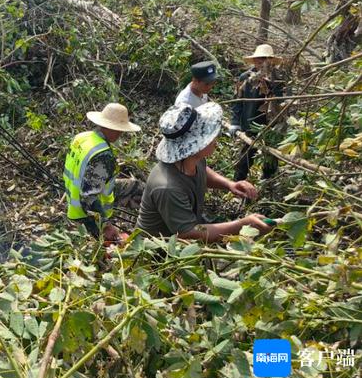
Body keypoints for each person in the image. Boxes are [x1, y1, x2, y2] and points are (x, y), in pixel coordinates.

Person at [136, 103, 273, 242]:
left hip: (186, 231)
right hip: (157, 252)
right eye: (209, 135)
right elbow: (190, 232)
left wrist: (229, 184)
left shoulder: (192, 160)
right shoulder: (167, 187)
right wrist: (241, 225)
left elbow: (203, 171)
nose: (215, 139)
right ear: (195, 147)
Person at [63, 103, 144, 243]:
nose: (121, 133)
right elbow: (88, 197)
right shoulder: (103, 156)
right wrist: (106, 225)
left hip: (74, 200)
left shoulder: (82, 137)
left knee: (136, 187)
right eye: (119, 129)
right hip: (85, 215)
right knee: (113, 247)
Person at [228, 44, 285, 181]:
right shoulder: (245, 77)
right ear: (254, 60)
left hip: (270, 126)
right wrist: (235, 123)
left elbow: (281, 103)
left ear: (271, 60)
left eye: (265, 59)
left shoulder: (277, 79)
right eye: (258, 59)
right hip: (250, 124)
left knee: (270, 159)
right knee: (245, 158)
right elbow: (238, 101)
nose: (261, 62)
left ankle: (267, 184)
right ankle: (237, 185)